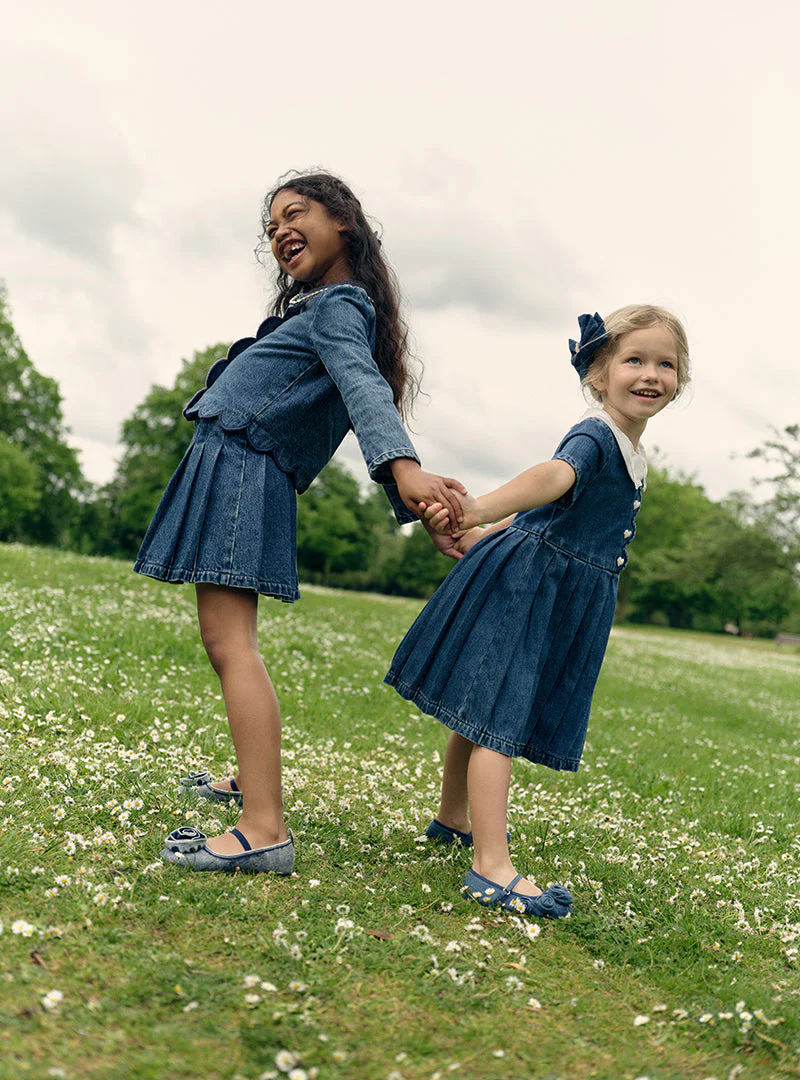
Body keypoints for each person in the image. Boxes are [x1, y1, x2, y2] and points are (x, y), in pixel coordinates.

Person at [135, 170, 466, 874]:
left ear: (343, 221)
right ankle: (251, 784)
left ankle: (264, 828)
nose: (281, 231)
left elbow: (362, 386)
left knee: (231, 644)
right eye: (271, 228)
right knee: (227, 641)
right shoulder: (317, 308)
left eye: (296, 214)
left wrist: (403, 470)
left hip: (243, 466)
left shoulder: (341, 306)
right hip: (234, 463)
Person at [385, 305, 691, 917]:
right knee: (502, 716)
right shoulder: (594, 435)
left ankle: (452, 817)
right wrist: (478, 512)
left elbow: (557, 517)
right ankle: (490, 867)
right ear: (598, 374)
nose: (650, 373)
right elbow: (553, 477)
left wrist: (488, 531)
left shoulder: (630, 445)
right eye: (634, 360)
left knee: (484, 712)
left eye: (666, 363)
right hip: (533, 585)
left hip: (554, 587)